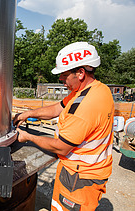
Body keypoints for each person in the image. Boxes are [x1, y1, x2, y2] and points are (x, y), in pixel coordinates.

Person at [13, 42, 114, 211]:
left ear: (80, 73)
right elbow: (57, 108)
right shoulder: (94, 90)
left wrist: (27, 136)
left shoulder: (86, 105)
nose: (60, 79)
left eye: (64, 74)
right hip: (87, 172)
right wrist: (27, 114)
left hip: (79, 177)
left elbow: (62, 147)